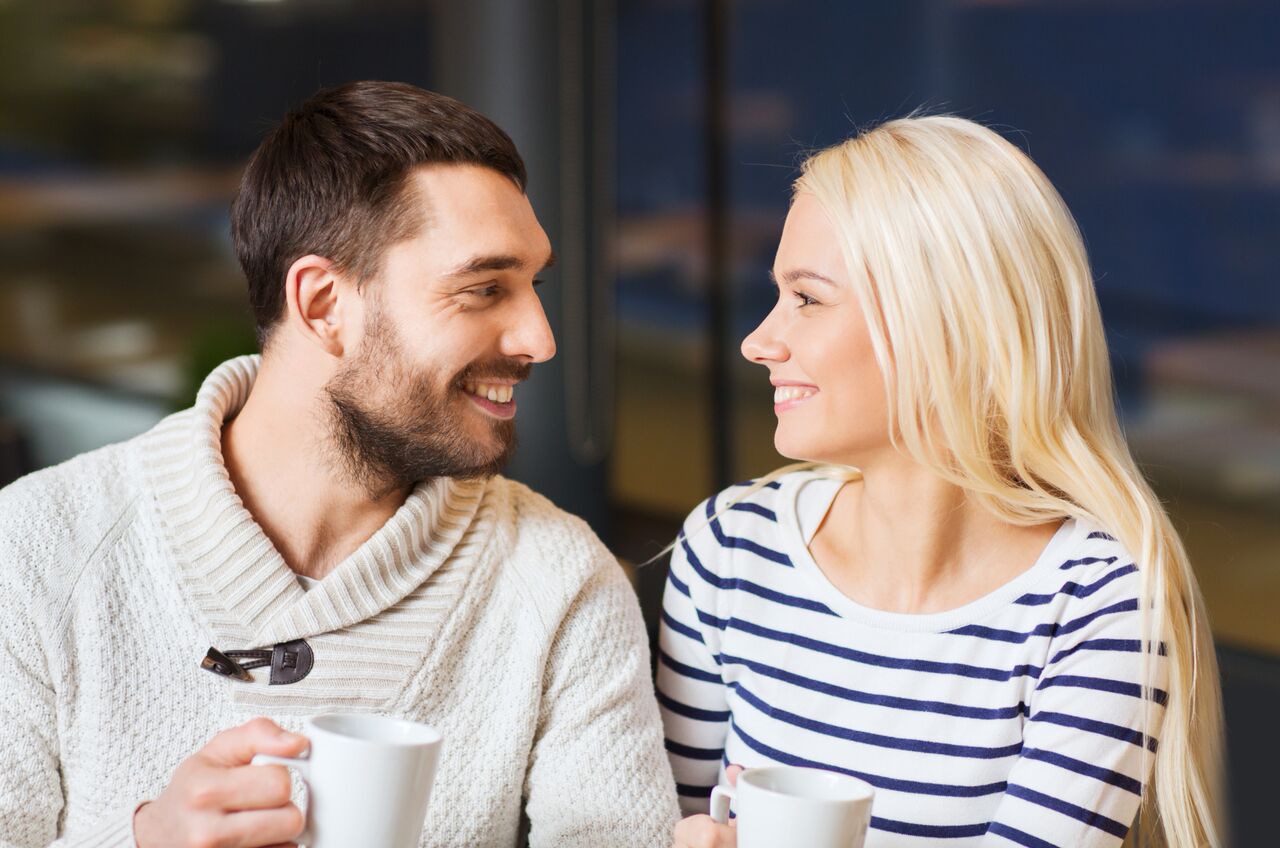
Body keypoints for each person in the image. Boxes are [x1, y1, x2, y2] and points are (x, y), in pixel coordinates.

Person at [0, 81, 679, 847]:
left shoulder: (561, 583)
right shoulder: (34, 548)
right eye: (485, 288)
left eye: (533, 286)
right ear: (323, 304)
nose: (538, 337)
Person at [662, 116, 1223, 847]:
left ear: (945, 324)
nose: (759, 340)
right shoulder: (730, 548)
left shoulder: (1098, 602)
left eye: (807, 298)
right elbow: (672, 824)